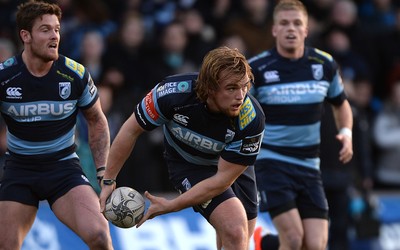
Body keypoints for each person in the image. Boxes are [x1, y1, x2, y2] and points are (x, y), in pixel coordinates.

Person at [99, 46, 265, 250]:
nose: (241, 96)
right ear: (210, 88)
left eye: (244, 86)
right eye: (231, 88)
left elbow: (222, 180)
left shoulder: (252, 118)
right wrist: (109, 179)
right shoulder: (171, 94)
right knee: (235, 228)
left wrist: (172, 205)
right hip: (189, 163)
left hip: (231, 165)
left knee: (239, 240)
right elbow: (130, 131)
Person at [0, 1, 113, 249]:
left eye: (57, 29)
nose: (55, 36)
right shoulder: (5, 77)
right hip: (20, 170)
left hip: (62, 169)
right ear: (25, 36)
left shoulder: (74, 74)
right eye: (45, 30)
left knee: (100, 236)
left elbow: (97, 122)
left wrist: (104, 175)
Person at [248, 0, 354, 249]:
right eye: (284, 23)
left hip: (309, 165)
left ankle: (265, 243)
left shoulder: (324, 64)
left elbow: (341, 104)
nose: (291, 29)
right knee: (294, 238)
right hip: (272, 162)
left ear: (306, 30)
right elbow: (239, 113)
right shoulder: (257, 69)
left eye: (297, 23)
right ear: (274, 29)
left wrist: (346, 133)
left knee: (315, 245)